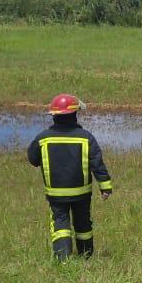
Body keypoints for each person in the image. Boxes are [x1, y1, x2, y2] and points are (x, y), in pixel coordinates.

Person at [27, 94, 113, 261]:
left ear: (54, 116)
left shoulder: (43, 138)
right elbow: (97, 164)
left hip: (56, 195)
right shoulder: (86, 137)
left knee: (60, 224)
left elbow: (33, 158)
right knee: (83, 224)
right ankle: (86, 256)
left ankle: (63, 259)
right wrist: (105, 187)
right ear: (75, 114)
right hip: (82, 194)